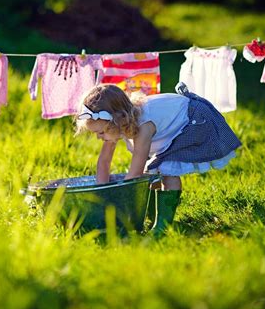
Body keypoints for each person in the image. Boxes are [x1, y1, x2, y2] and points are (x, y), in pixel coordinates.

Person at [75, 82, 242, 236]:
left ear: (118, 120)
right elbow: (104, 163)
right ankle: (152, 215)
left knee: (166, 169)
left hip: (193, 119)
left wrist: (122, 207)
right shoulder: (115, 126)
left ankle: (163, 224)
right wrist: (100, 197)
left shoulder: (143, 126)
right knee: (152, 171)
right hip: (174, 125)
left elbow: (135, 173)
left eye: (101, 132)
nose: (99, 137)